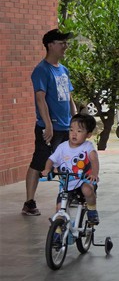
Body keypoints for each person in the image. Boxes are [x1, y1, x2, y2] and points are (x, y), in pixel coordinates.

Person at [22, 29, 76, 216]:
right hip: (49, 128)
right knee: (39, 163)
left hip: (66, 126)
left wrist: (74, 121)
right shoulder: (41, 70)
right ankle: (29, 202)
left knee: (70, 162)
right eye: (62, 43)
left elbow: (69, 98)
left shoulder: (64, 70)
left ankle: (69, 195)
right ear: (51, 45)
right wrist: (48, 124)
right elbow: (40, 99)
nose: (65, 46)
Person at [41, 114, 100, 225]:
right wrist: (47, 169)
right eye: (71, 130)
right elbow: (51, 159)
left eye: (79, 131)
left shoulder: (87, 147)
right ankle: (58, 232)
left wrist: (94, 174)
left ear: (88, 134)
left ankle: (92, 210)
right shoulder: (62, 147)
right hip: (66, 183)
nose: (74, 133)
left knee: (87, 190)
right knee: (59, 209)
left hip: (83, 180)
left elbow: (94, 159)